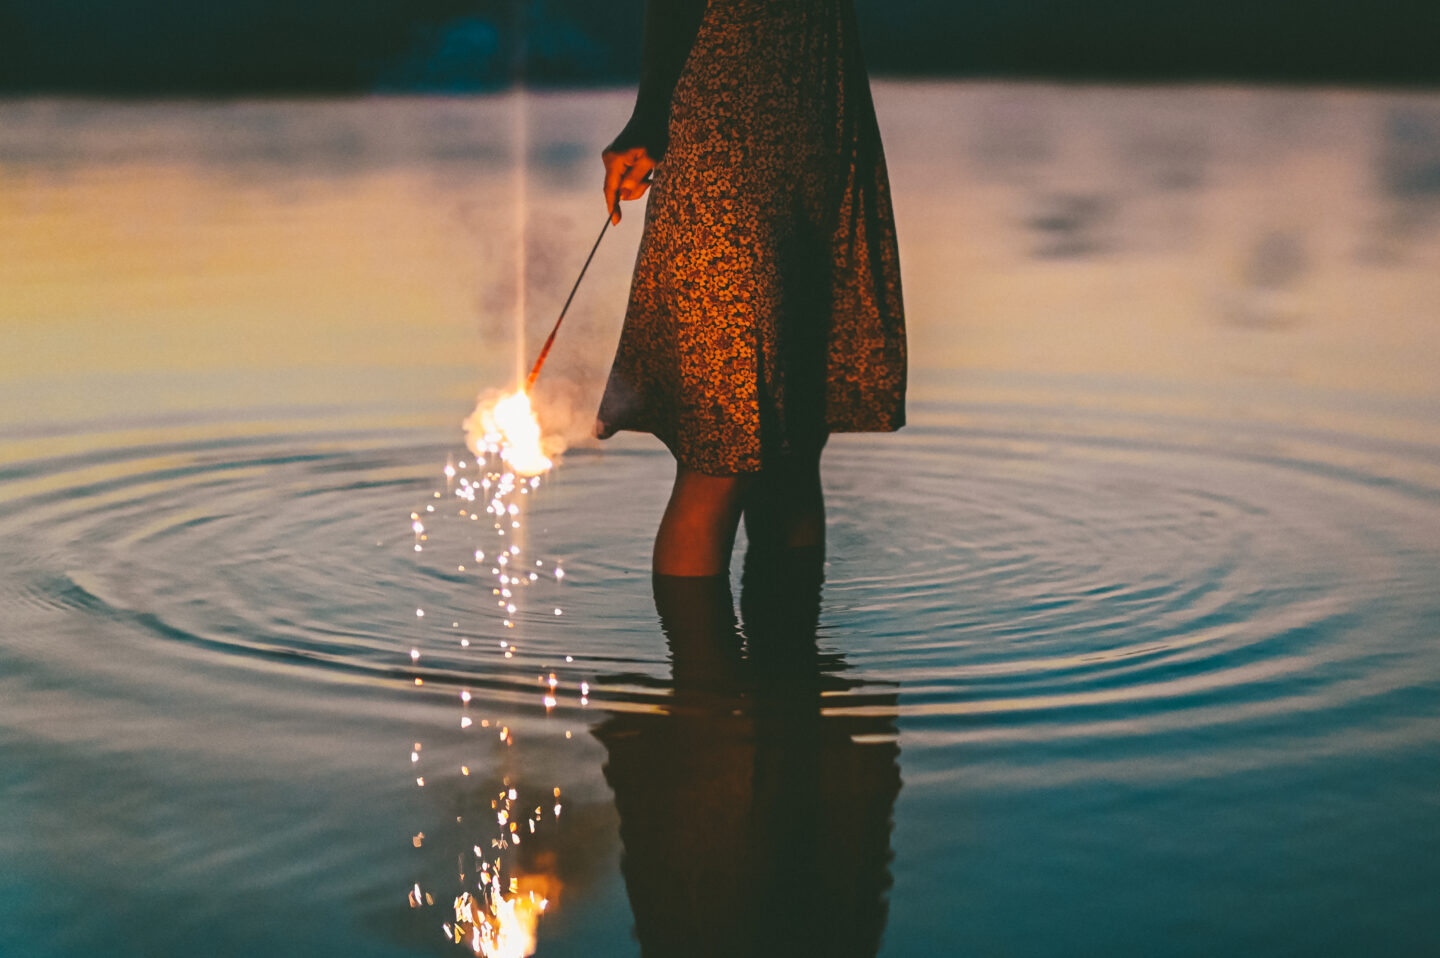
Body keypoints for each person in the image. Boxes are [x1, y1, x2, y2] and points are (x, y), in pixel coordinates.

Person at [596, 0, 906, 578]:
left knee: (796, 440)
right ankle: (701, 666)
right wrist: (650, 115)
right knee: (722, 449)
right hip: (729, 121)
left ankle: (788, 663)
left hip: (819, 111)